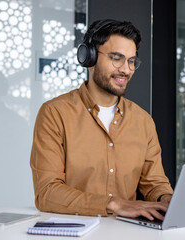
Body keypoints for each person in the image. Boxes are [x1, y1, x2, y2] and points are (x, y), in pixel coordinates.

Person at [30, 19, 173, 221]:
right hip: (74, 230)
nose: (126, 69)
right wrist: (112, 204)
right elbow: (46, 193)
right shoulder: (55, 113)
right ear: (89, 57)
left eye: (131, 61)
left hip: (127, 232)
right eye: (117, 58)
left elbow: (155, 182)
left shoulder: (143, 120)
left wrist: (166, 199)